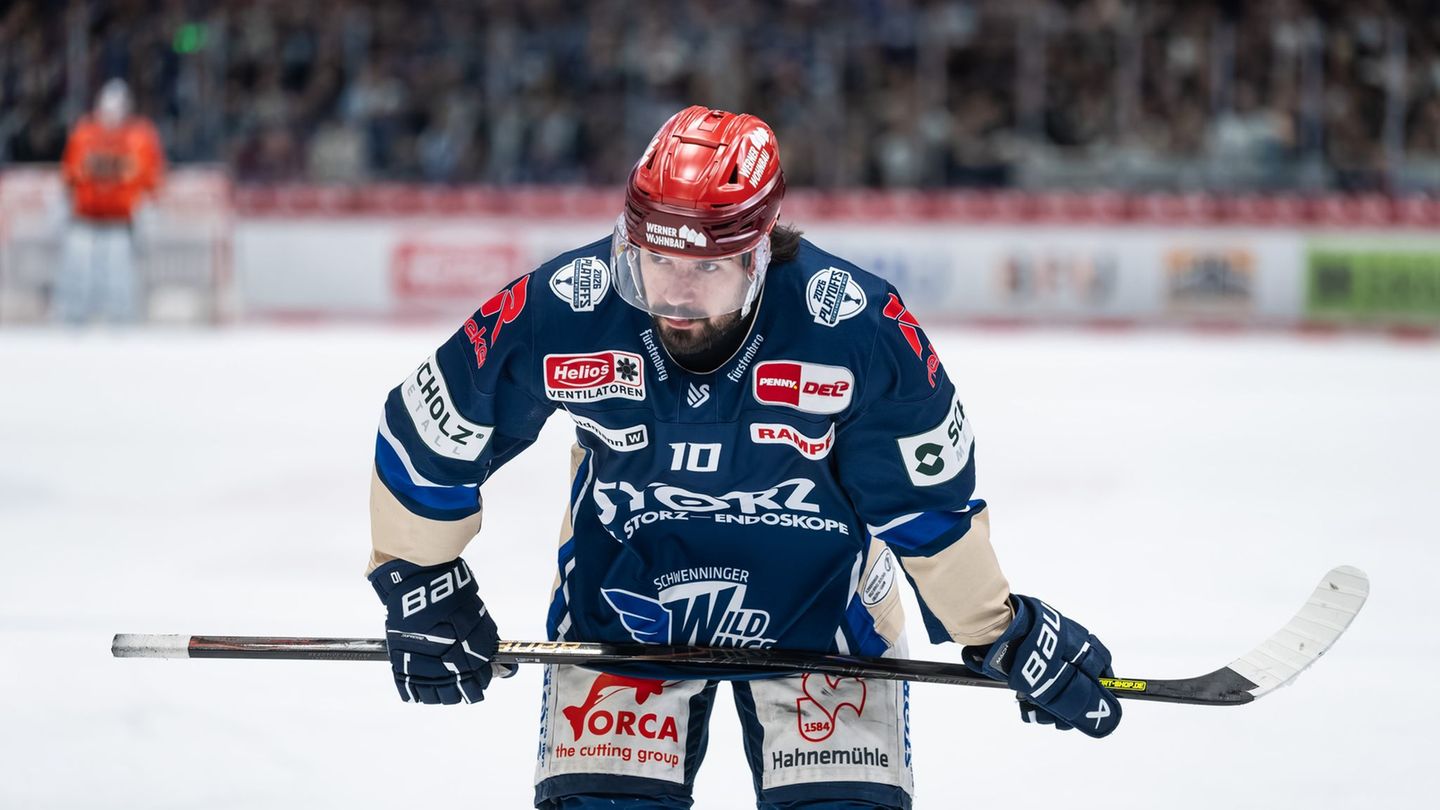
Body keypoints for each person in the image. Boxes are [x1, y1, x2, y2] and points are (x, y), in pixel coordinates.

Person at [367, 106, 1122, 809]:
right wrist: (419, 580)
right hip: (624, 611)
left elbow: (925, 508)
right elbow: (431, 433)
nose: (675, 294)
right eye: (655, 262)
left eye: (707, 268)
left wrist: (1000, 629)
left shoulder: (857, 331)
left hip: (822, 623)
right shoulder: (568, 305)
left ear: (759, 254)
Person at [53, 78, 165, 324]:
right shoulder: (84, 135)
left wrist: (147, 211)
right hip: (85, 221)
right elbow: (69, 176)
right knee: (78, 276)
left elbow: (151, 181)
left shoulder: (140, 138)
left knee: (120, 279)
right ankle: (73, 323)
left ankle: (121, 325)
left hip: (121, 224)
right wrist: (63, 207)